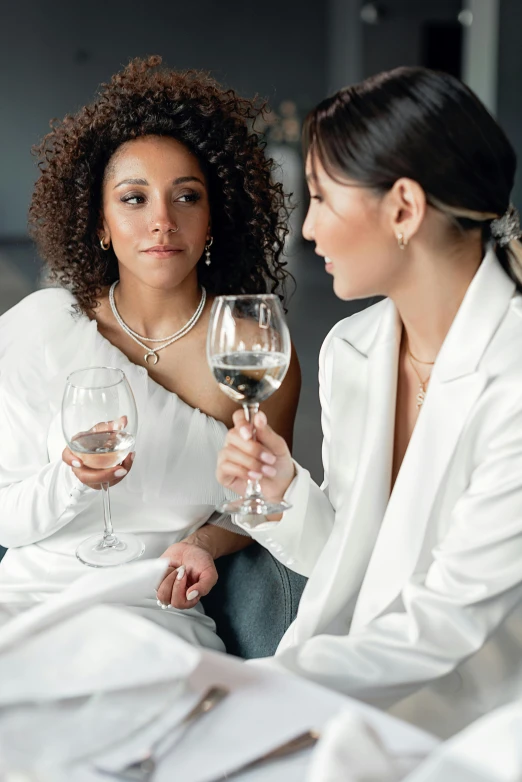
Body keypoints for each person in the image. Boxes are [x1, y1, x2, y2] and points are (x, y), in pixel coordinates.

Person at [217, 65, 522, 736]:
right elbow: (354, 558)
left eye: (322, 199)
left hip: (475, 718)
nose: (308, 230)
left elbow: (444, 623)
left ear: (404, 208)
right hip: (342, 677)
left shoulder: (514, 379)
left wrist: (252, 690)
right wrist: (282, 487)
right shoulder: (351, 350)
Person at [0, 56, 301, 649]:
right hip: (26, 606)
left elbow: (261, 500)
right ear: (101, 223)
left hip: (157, 615)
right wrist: (73, 480)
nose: (162, 221)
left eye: (186, 197)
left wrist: (205, 545)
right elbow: (7, 516)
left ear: (214, 218)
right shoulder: (37, 328)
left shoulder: (253, 347)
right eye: (134, 199)